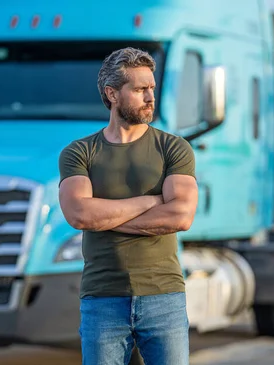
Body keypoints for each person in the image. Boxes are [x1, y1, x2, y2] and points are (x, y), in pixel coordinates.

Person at [58, 47, 198, 365]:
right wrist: (149, 201)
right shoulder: (79, 152)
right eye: (139, 90)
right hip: (102, 298)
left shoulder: (173, 148)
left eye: (151, 88)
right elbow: (79, 213)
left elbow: (181, 215)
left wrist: (103, 216)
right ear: (112, 94)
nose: (150, 97)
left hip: (164, 295)